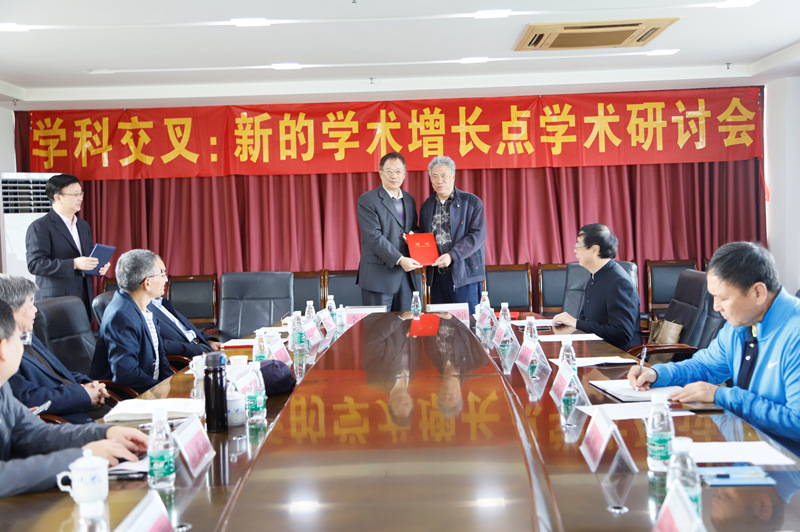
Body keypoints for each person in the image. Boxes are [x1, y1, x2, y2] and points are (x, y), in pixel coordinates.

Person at [628, 241, 800, 441]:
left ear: (758, 293)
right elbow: (706, 367)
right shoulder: (742, 323)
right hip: (748, 442)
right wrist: (657, 374)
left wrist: (722, 395)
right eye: (714, 298)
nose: (717, 307)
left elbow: (796, 422)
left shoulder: (794, 334)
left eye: (723, 298)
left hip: (785, 456)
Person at [0, 298, 147, 498]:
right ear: (3, 349)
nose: (23, 346)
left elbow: (38, 434)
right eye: (19, 338)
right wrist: (82, 457)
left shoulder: (3, 389)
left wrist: (106, 433)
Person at [0, 275, 110, 424]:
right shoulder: (6, 353)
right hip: (64, 419)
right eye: (30, 304)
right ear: (9, 311)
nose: (35, 310)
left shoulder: (28, 336)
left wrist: (90, 385)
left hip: (84, 405)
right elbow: (28, 398)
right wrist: (83, 394)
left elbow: (59, 373)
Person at [25, 174, 110, 319]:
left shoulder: (83, 225)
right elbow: (35, 264)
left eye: (81, 194)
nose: (80, 198)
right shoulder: (40, 227)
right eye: (75, 194)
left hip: (82, 299)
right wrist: (74, 264)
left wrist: (99, 267)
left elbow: (88, 257)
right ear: (58, 197)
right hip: (54, 302)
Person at [90, 249, 174, 392]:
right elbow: (126, 374)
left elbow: (161, 362)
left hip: (150, 388)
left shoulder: (145, 307)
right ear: (147, 283)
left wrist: (173, 385)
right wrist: (161, 390)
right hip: (132, 395)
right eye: (162, 274)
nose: (166, 279)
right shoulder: (121, 316)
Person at [553, 223, 642, 350]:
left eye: (578, 245)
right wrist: (572, 325)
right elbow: (586, 322)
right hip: (598, 350)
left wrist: (575, 323)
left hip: (621, 356)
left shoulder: (620, 282)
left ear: (595, 249)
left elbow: (621, 334)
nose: (575, 250)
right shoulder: (594, 278)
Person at [418, 156, 487, 315]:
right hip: (437, 277)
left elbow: (477, 236)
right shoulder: (427, 206)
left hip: (465, 275)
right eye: (435, 176)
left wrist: (452, 256)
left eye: (444, 175)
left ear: (453, 177)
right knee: (440, 325)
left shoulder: (472, 202)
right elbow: (424, 237)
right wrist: (413, 239)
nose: (439, 180)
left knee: (468, 323)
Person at [356, 152, 422, 311]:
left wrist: (413, 239)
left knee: (406, 325)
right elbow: (374, 236)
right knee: (378, 326)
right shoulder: (368, 199)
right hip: (378, 278)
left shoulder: (409, 199)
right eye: (389, 171)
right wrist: (400, 259)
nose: (394, 176)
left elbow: (413, 229)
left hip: (406, 278)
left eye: (398, 171)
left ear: (404, 174)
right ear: (381, 173)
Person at [150, 295, 221, 357]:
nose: (164, 283)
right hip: (188, 358)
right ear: (147, 284)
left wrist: (209, 341)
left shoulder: (162, 303)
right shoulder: (147, 311)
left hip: (203, 347)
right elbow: (155, 344)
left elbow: (187, 331)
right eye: (162, 278)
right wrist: (193, 350)